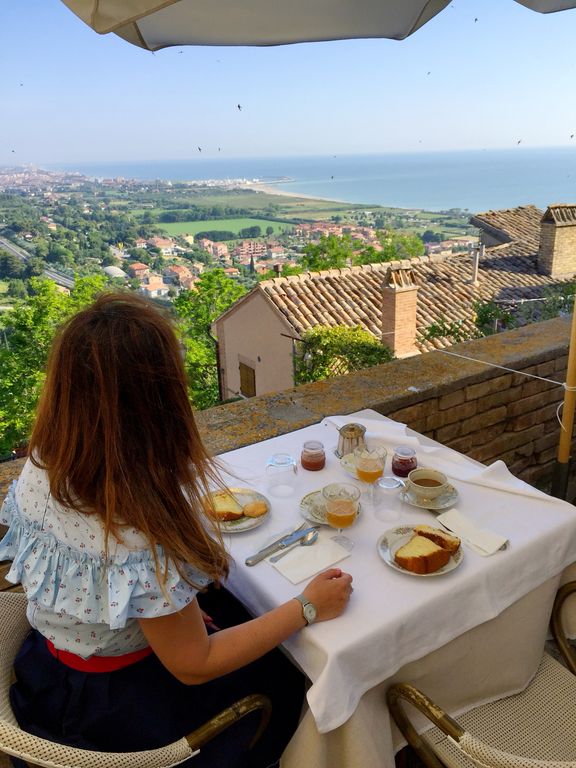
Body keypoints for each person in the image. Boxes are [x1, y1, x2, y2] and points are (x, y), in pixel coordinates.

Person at [0, 292, 353, 768]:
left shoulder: (44, 464)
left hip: (48, 671)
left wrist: (172, 601)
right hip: (118, 713)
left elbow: (110, 584)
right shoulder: (135, 525)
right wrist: (308, 606)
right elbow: (194, 665)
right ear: (159, 401)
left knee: (235, 603)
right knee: (296, 674)